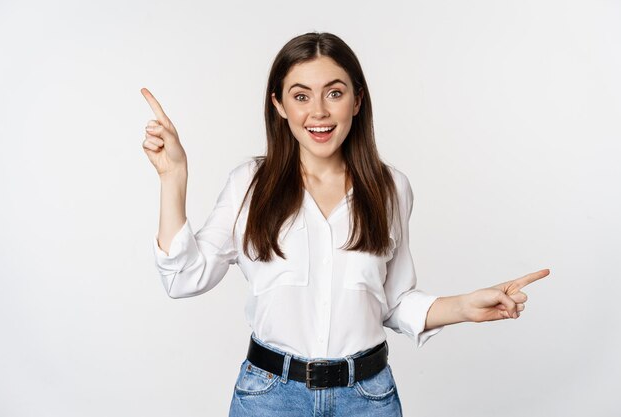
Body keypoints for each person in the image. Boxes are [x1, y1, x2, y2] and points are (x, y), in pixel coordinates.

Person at [140, 32, 550, 417]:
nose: (318, 112)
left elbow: (391, 300)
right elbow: (184, 279)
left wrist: (464, 306)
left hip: (368, 397)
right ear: (279, 106)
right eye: (301, 96)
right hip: (269, 398)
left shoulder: (391, 188)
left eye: (334, 93)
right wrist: (172, 177)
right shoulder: (249, 183)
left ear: (356, 100)